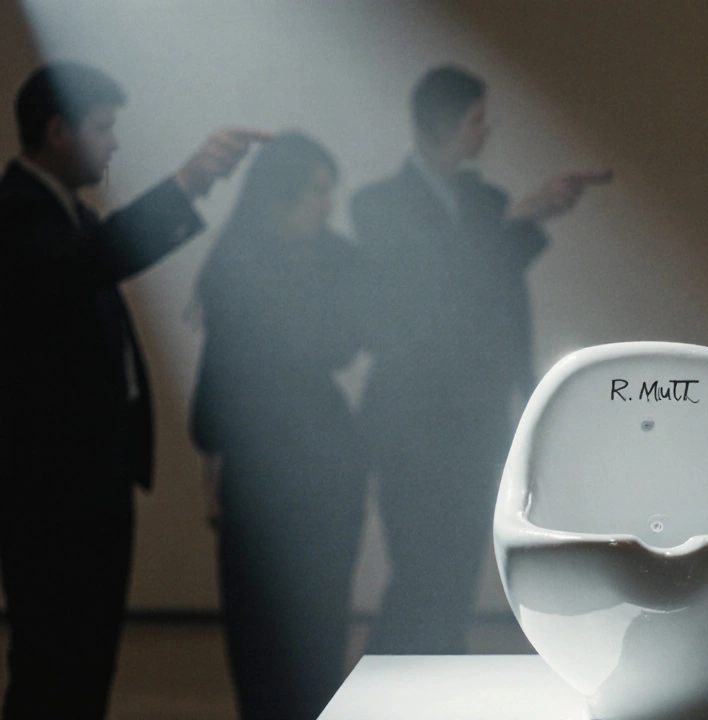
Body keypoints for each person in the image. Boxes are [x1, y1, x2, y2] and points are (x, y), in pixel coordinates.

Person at [0, 62, 265, 719]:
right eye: (103, 128)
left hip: (85, 485)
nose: (114, 143)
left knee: (84, 665)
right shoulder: (17, 215)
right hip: (50, 494)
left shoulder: (68, 216)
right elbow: (90, 265)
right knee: (53, 666)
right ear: (58, 131)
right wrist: (189, 183)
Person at [352, 64, 609, 654]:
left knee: (456, 577)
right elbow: (426, 290)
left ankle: (429, 687)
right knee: (421, 574)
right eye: (475, 118)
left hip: (476, 418)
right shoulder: (378, 206)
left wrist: (526, 398)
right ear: (442, 122)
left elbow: (498, 300)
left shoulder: (486, 201)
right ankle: (392, 686)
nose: (485, 130)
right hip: (409, 423)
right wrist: (518, 220)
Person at [189, 132, 368, 719]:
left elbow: (220, 384)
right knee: (276, 640)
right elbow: (332, 345)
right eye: (317, 191)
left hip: (290, 465)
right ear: (279, 194)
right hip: (287, 465)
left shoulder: (249, 262)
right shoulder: (268, 264)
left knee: (302, 638)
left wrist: (212, 460)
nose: (326, 204)